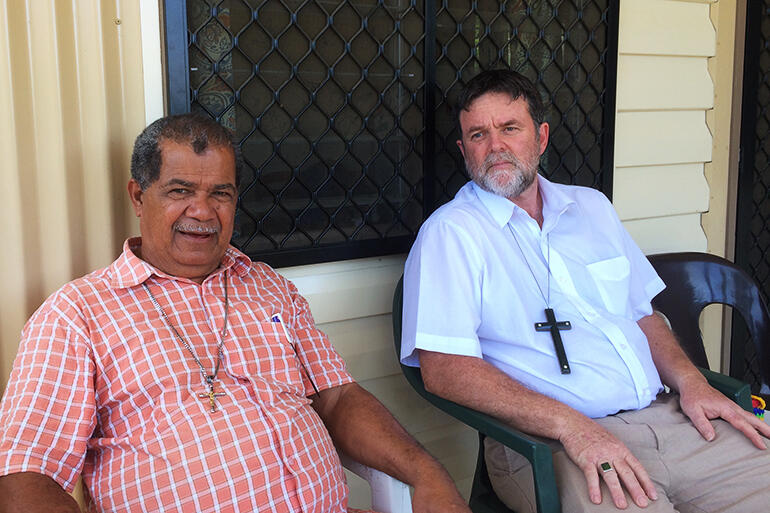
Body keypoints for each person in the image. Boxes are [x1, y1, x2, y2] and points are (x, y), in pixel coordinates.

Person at [0, 114, 470, 513]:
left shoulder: (268, 286)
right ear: (139, 196)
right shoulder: (77, 315)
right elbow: (26, 477)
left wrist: (428, 473)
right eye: (180, 190)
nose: (202, 212)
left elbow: (338, 398)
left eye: (220, 194)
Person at [400, 69, 770, 513]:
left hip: (673, 418)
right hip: (549, 446)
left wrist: (693, 383)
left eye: (509, 128)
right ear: (464, 151)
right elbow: (444, 369)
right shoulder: (452, 233)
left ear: (541, 137)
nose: (495, 146)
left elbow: (642, 314)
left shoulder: (592, 207)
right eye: (478, 134)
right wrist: (570, 426)